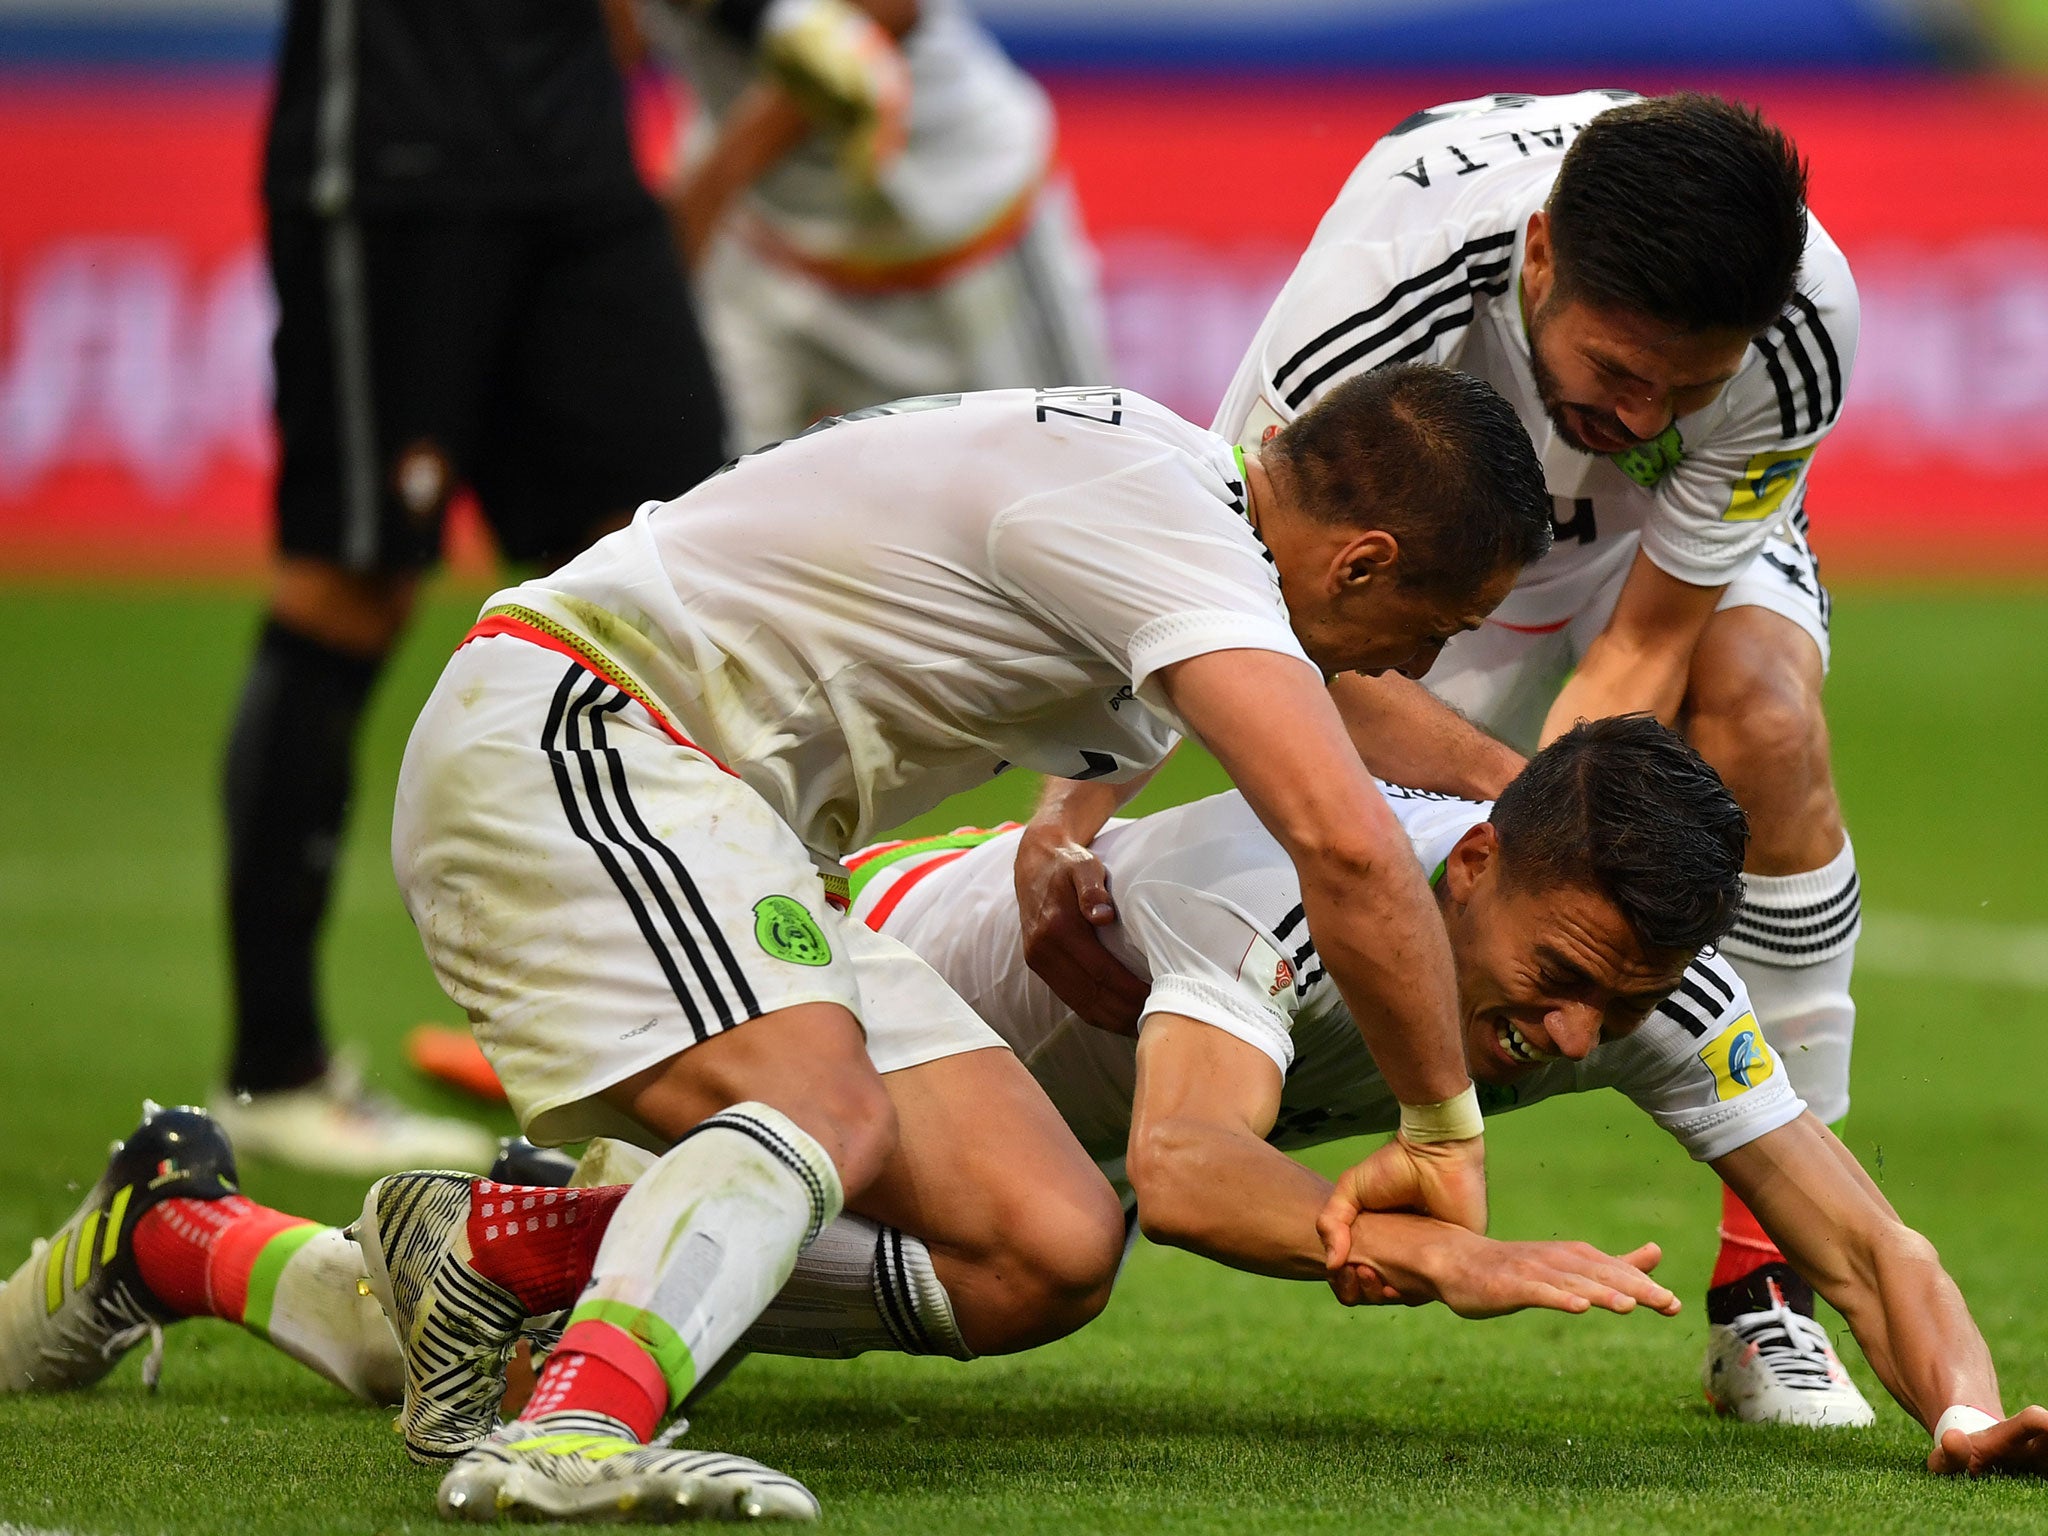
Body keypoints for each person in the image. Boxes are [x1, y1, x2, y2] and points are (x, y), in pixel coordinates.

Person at [14, 724, 2043, 1482]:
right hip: (844, 981)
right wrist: (1441, 1252)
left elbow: (1870, 1239)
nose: (1581, 1040)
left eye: (1622, 1008)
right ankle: (526, 1232)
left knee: (434, 1348)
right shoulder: (1298, 880)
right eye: (1557, 988)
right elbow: (1182, 1163)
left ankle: (171, 1232)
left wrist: (1963, 1415)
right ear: (1468, 866)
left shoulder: (1619, 964)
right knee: (1056, 1257)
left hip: (981, 1121)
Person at [391, 365, 1550, 1519]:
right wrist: (1444, 1135)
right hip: (591, 732)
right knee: (820, 1109)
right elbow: (1347, 848)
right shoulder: (1175, 528)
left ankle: (502, 1251)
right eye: (1435, 629)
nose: (1413, 669)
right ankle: (576, 1432)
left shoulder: (1174, 500)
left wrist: (1545, 804)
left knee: (1045, 1247)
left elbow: (1313, 709)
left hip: (728, 822)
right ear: (1363, 561)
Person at [1025, 89, 1871, 1425]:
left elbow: (1645, 645)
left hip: (1639, 548)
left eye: (1687, 388)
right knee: (1348, 716)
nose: (1648, 408)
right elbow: (1237, 590)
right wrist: (1067, 819)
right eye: (1618, 370)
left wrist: (1554, 849)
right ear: (1541, 259)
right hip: (1448, 515)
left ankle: (1768, 1295)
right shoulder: (1385, 280)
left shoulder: (1800, 330)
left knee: (1763, 719)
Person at [221, 0, 730, 1173]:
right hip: (402, 140)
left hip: (575, 149)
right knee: (353, 586)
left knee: (665, 563)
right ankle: (274, 1066)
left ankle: (668, 1037)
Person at [642, 0, 1110, 453]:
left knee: (1061, 473)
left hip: (953, 225)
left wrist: (714, 183)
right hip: (759, 237)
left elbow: (887, 10)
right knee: (725, 498)